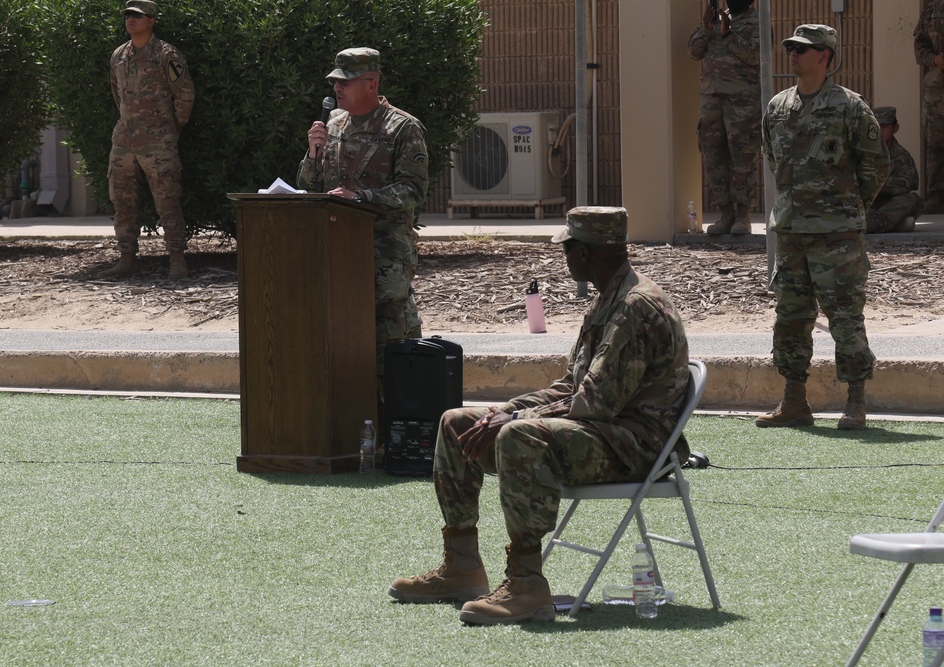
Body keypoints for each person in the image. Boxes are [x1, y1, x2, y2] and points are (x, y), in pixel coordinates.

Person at [387, 206, 691, 626]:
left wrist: (511, 422)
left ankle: (527, 585)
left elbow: (595, 403)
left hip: (635, 447)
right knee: (457, 420)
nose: (563, 256)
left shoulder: (635, 307)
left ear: (584, 253)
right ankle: (462, 568)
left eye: (567, 248)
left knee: (519, 436)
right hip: (600, 432)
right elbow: (570, 386)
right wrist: (504, 410)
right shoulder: (609, 299)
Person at [757, 25, 890, 431]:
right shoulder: (778, 106)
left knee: (845, 316)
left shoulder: (849, 106)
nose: (793, 54)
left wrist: (849, 209)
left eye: (803, 49)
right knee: (791, 317)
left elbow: (876, 165)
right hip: (792, 232)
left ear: (825, 56)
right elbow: (772, 158)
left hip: (837, 234)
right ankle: (794, 401)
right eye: (791, 48)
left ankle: (855, 402)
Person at [296, 47, 429, 418]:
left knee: (390, 342)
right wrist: (313, 153)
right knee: (339, 341)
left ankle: (400, 427)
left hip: (383, 254)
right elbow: (309, 184)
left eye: (346, 81)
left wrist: (363, 198)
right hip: (335, 251)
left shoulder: (402, 127)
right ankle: (348, 426)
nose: (338, 89)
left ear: (371, 83)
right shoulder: (332, 126)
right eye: (335, 82)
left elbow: (413, 190)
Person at [101, 0, 194, 281]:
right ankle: (127, 258)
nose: (131, 19)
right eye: (128, 15)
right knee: (122, 200)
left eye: (137, 16)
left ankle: (177, 260)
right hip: (125, 139)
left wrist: (169, 129)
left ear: (151, 20)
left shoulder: (167, 54)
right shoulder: (118, 55)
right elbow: (117, 94)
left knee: (167, 200)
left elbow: (185, 95)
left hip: (158, 141)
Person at [687, 0, 761, 235]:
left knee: (742, 156)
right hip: (712, 98)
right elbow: (693, 52)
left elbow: (755, 56)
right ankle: (725, 214)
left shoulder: (757, 22)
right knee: (713, 155)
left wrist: (728, 34)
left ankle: (743, 215)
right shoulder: (716, 19)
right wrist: (707, 27)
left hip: (742, 99)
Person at [914, 1, 944, 214]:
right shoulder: (932, 9)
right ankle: (937, 200)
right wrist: (934, 59)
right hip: (937, 90)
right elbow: (919, 46)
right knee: (935, 145)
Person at [866, 106, 923, 234]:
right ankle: (895, 225)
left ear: (895, 128)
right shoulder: (862, 151)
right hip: (867, 203)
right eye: (876, 126)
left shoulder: (902, 156)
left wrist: (877, 183)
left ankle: (871, 225)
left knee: (913, 200)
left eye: (884, 126)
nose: (880, 131)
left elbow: (909, 183)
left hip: (889, 204)